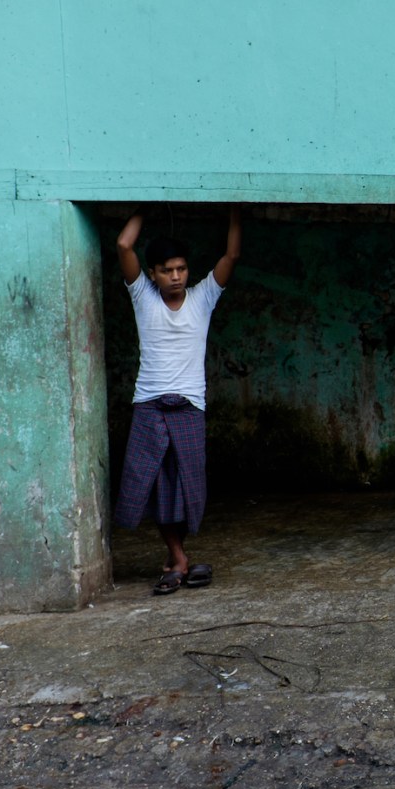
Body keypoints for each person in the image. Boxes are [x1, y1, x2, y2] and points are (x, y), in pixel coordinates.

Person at [114, 205, 242, 595]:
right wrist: (145, 205)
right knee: (154, 485)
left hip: (189, 407)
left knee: (186, 486)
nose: (175, 276)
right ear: (152, 273)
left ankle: (177, 560)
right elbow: (124, 245)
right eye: (167, 270)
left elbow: (231, 255)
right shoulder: (143, 297)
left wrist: (235, 211)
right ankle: (179, 558)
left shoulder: (203, 297)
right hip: (150, 405)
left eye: (181, 269)